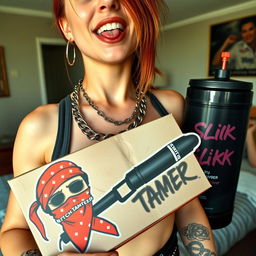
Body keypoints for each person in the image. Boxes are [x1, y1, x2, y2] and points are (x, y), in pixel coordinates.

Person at [0, 0, 217, 255]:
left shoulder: (172, 106)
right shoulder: (40, 127)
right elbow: (14, 232)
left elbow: (186, 201)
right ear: (66, 27)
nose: (107, 2)